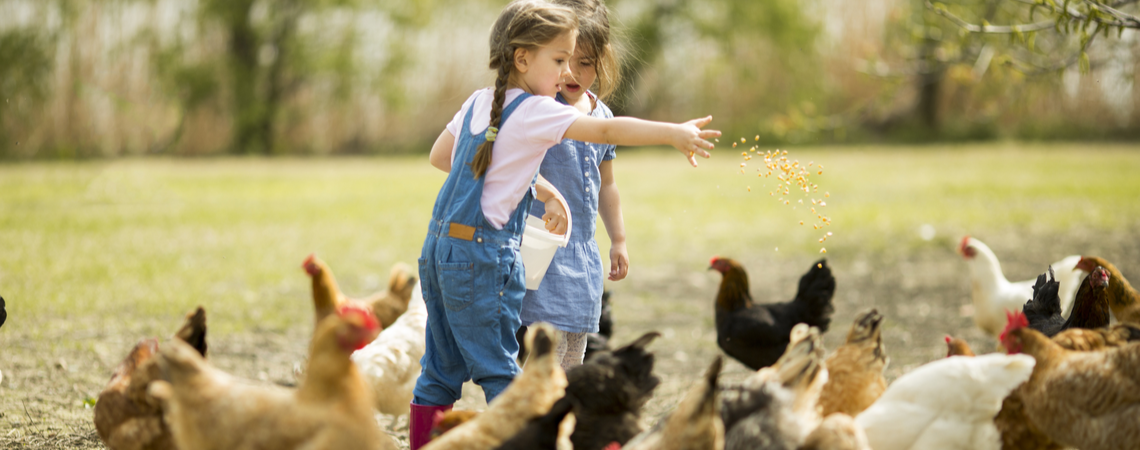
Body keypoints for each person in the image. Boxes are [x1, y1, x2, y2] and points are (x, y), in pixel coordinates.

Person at [409, 1, 720, 447]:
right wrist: (672, 133)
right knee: (504, 373)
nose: (564, 72)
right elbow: (608, 132)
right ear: (522, 58)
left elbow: (444, 157)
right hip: (481, 257)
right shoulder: (538, 110)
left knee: (438, 371)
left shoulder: (480, 101)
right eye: (558, 60)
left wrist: (532, 183)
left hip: (439, 252)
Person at [519, 0, 625, 371]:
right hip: (542, 244)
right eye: (564, 61)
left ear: (602, 60)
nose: (572, 73)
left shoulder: (603, 115)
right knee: (544, 346)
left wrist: (619, 239)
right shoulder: (540, 107)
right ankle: (534, 409)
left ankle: (562, 410)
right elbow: (517, 164)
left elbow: (606, 185)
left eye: (586, 62)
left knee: (576, 345)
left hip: (583, 250)